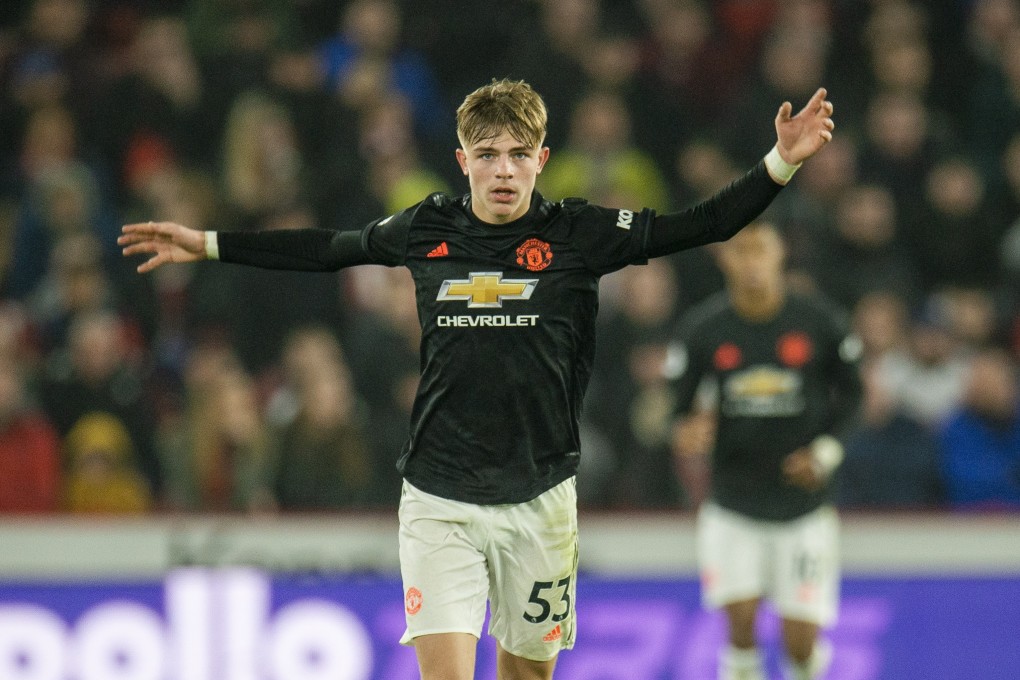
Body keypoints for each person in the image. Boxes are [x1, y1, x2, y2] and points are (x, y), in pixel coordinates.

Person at [119, 78, 834, 680]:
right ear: (462, 159)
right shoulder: (427, 227)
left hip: (541, 496)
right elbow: (326, 251)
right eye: (487, 155)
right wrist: (208, 244)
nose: (502, 170)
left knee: (525, 672)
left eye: (518, 156)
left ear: (542, 160)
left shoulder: (579, 234)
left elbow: (701, 225)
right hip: (440, 496)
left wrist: (781, 162)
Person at [668, 220, 863, 680]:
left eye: (761, 250)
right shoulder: (703, 330)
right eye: (740, 251)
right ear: (724, 259)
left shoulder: (820, 321)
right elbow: (678, 409)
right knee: (739, 625)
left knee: (799, 644)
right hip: (733, 502)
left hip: (803, 507)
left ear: (781, 254)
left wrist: (825, 452)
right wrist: (687, 429)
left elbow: (853, 395)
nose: (751, 262)